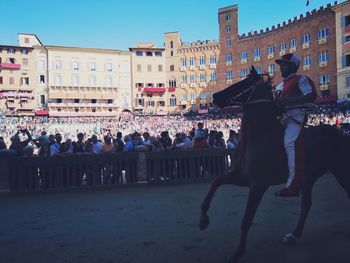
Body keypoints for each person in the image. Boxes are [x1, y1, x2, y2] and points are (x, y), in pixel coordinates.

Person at [274, 53, 317, 197]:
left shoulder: (301, 79)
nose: (281, 68)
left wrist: (289, 102)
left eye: (284, 64)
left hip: (296, 115)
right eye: (280, 65)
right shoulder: (279, 85)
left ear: (293, 66)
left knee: (290, 142)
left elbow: (310, 96)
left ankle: (293, 186)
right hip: (281, 117)